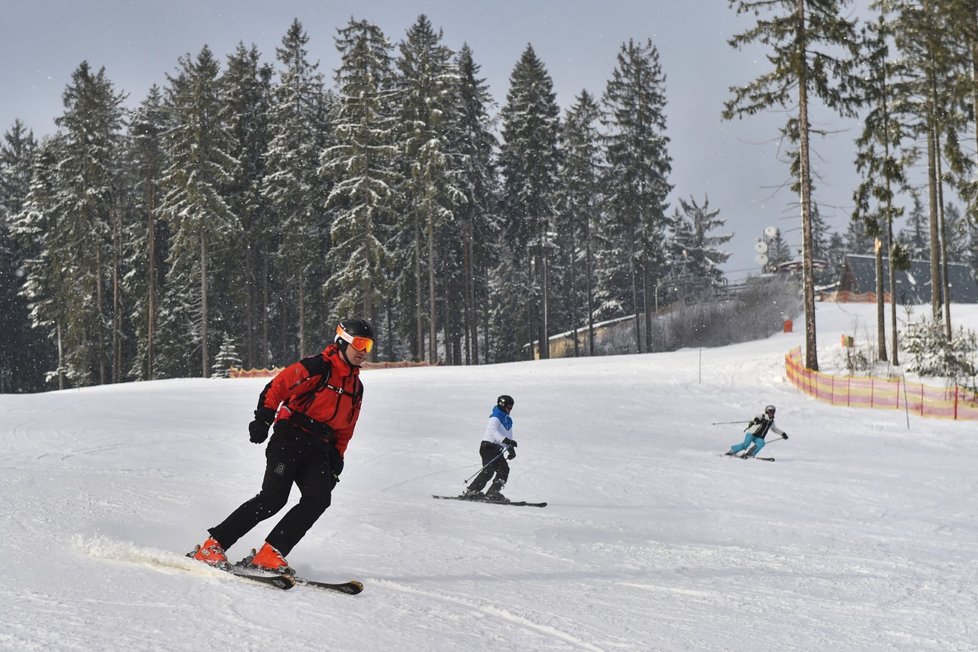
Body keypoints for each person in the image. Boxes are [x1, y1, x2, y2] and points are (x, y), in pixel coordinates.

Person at [190, 318, 374, 573]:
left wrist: (336, 459)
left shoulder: (356, 387)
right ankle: (212, 545)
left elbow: (346, 427)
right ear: (342, 341)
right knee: (273, 498)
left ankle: (270, 552)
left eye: (369, 345)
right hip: (290, 438)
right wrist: (263, 418)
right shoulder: (318, 367)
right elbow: (278, 385)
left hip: (318, 448)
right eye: (360, 344)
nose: (364, 351)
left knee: (319, 499)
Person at [463, 394, 519, 502]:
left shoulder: (508, 420)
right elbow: (493, 432)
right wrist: (506, 441)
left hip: (497, 450)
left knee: (504, 469)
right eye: (509, 407)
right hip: (488, 447)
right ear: (502, 405)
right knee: (489, 470)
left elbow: (508, 436)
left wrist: (510, 448)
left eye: (511, 407)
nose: (510, 409)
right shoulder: (496, 416)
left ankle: (493, 492)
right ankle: (472, 491)